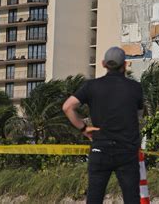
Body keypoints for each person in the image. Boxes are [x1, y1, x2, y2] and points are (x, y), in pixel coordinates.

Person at [62, 47, 144, 204]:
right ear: (125, 65)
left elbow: (67, 107)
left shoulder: (91, 86)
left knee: (94, 198)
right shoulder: (135, 87)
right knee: (132, 198)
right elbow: (138, 116)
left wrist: (84, 128)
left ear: (103, 64)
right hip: (126, 150)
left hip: (100, 148)